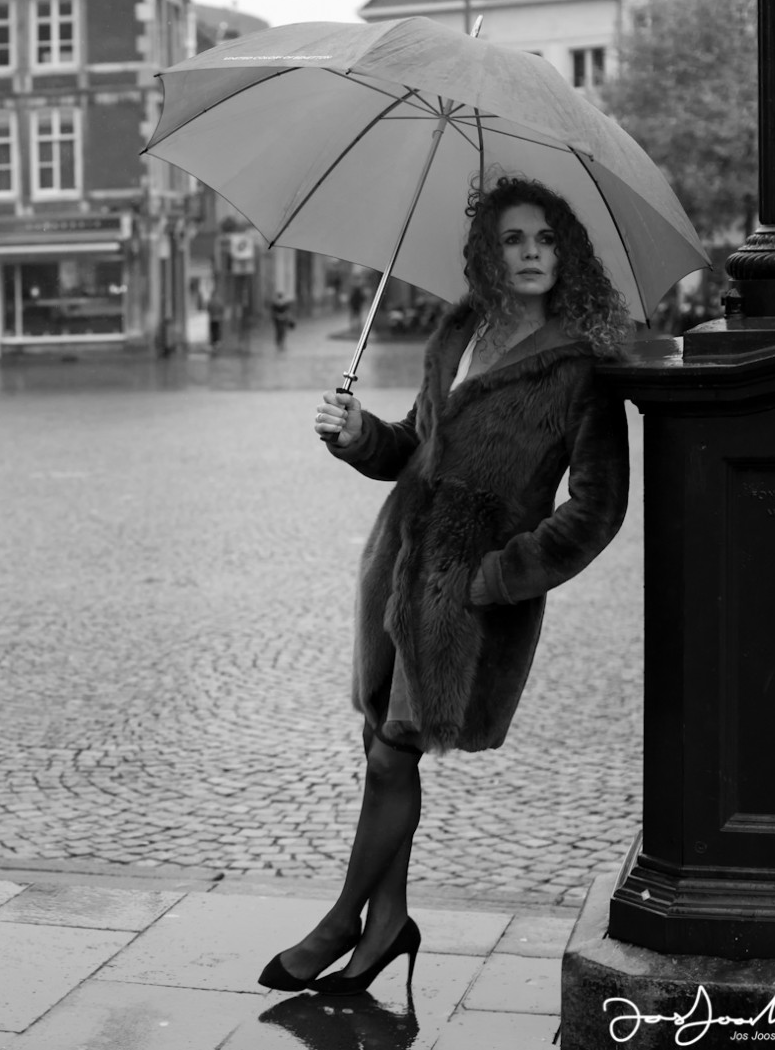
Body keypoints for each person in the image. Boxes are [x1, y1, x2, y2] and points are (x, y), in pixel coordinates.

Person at [263, 175, 632, 997]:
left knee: (396, 754)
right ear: (487, 255)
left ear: (564, 251)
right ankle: (388, 925)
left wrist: (497, 576)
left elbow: (598, 508)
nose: (533, 252)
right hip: (397, 563)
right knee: (379, 744)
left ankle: (337, 923)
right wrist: (359, 436)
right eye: (514, 239)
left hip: (465, 595)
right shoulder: (458, 333)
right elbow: (412, 452)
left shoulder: (579, 366)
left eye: (545, 239)